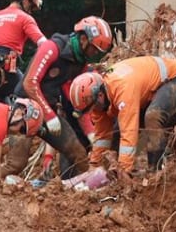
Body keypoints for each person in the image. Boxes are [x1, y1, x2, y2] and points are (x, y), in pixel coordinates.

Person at [6, 16, 114, 178]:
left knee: (78, 154)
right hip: (25, 108)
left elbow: (79, 103)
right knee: (16, 164)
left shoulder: (80, 65)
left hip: (47, 111)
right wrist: (49, 116)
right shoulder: (52, 48)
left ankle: (81, 194)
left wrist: (91, 134)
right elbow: (30, 83)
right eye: (93, 49)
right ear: (84, 38)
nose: (93, 54)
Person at [68, 55, 176, 178]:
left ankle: (155, 173)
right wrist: (95, 165)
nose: (93, 111)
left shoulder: (122, 89)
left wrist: (124, 169)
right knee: (116, 134)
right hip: (148, 94)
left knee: (152, 117)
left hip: (175, 79)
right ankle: (112, 177)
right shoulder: (99, 100)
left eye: (93, 107)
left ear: (100, 95)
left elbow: (129, 132)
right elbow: (103, 136)